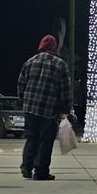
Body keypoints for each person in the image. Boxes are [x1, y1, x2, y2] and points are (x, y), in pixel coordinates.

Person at [17, 34, 72, 181]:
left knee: (31, 137)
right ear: (54, 48)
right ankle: (41, 171)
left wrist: (24, 100)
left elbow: (20, 84)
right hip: (49, 110)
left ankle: (26, 165)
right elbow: (65, 90)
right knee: (45, 140)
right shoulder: (61, 65)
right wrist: (65, 109)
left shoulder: (29, 62)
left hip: (30, 108)